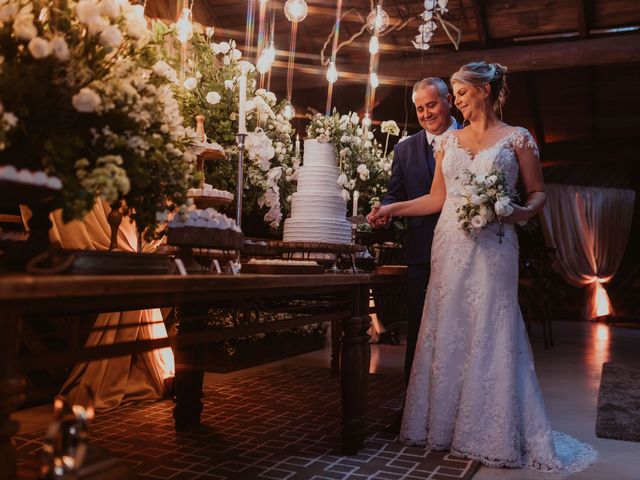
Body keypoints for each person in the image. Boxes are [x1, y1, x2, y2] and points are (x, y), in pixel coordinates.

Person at [369, 62, 597, 472]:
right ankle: (446, 424)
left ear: (485, 91)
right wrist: (392, 208)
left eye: (460, 93)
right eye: (453, 94)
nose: (455, 101)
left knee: (492, 328)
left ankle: (490, 429)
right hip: (450, 246)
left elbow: (539, 193)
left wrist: (518, 213)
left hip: (495, 245)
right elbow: (436, 199)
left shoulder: (518, 139)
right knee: (449, 329)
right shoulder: (448, 143)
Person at [368, 78, 460, 385]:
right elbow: (394, 194)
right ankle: (413, 406)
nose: (426, 114)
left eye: (431, 104)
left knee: (458, 328)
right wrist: (385, 213)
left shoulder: (471, 139)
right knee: (420, 328)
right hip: (421, 250)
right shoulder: (405, 149)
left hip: (464, 249)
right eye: (420, 109)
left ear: (449, 100)